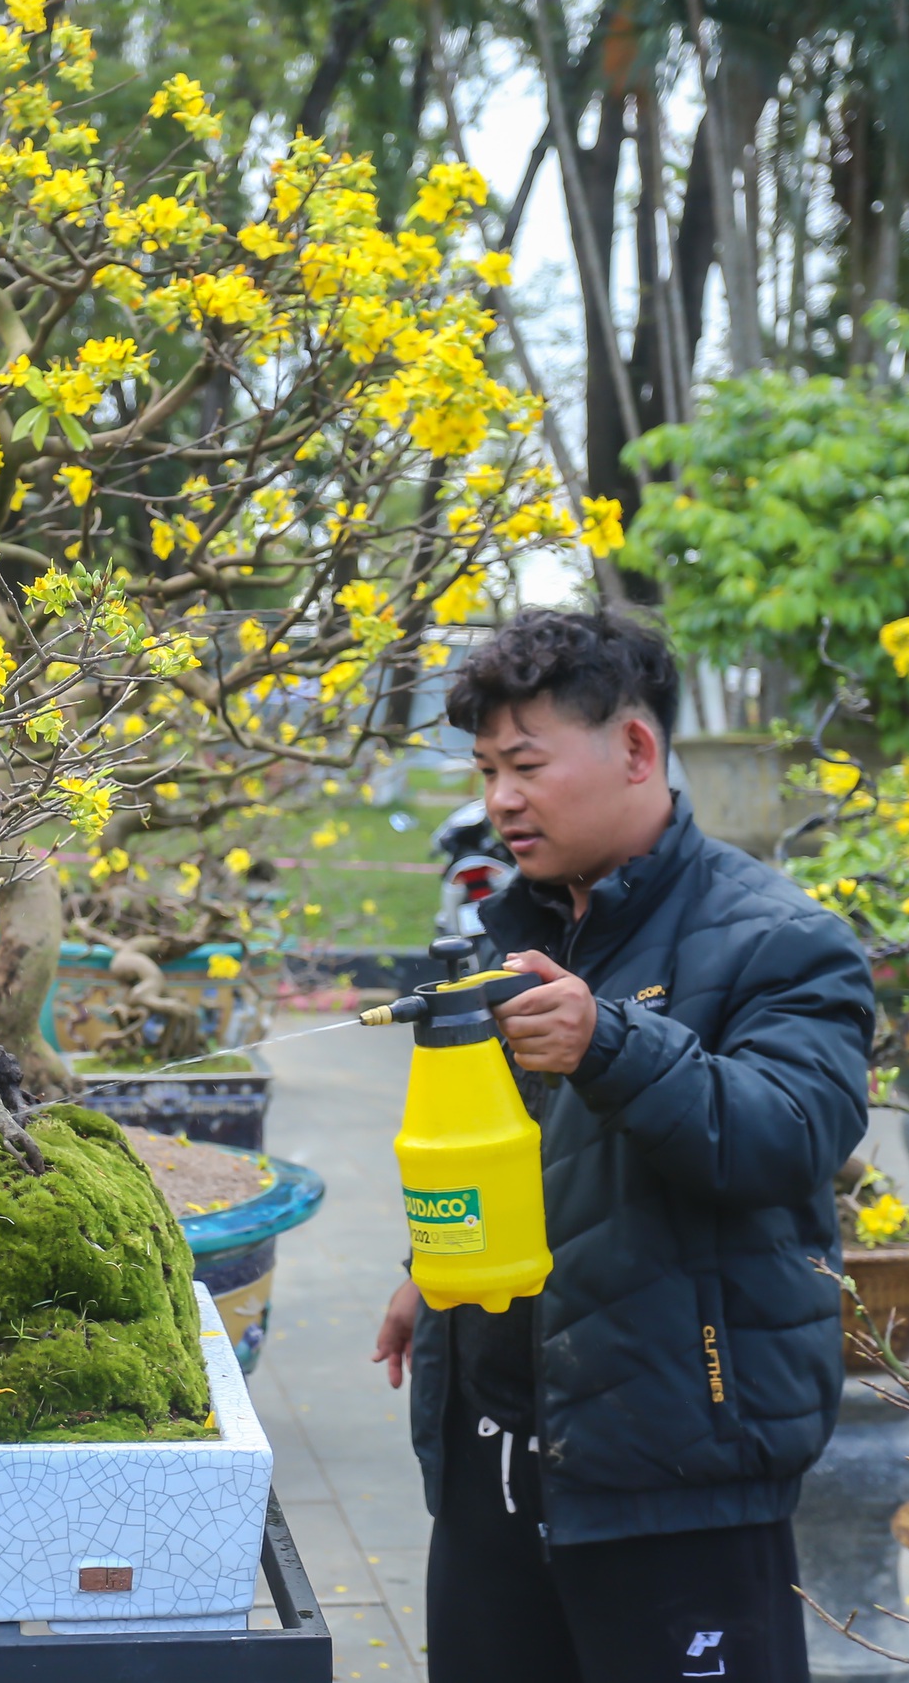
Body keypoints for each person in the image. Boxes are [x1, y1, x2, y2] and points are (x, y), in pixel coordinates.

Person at [373, 609, 872, 1683]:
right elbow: (517, 1150)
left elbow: (786, 1138)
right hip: (491, 1469)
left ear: (635, 750)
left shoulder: (780, 938)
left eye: (525, 764)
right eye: (485, 769)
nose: (499, 798)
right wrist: (435, 1264)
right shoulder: (510, 931)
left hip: (675, 1478)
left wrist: (610, 1039)